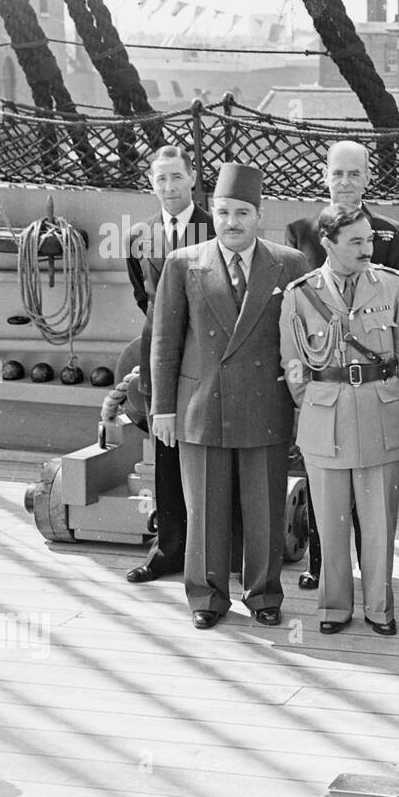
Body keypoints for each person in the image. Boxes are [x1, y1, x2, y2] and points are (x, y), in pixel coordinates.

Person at [151, 163, 310, 629]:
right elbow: (164, 342)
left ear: (259, 215)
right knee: (204, 510)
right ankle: (206, 597)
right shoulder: (184, 263)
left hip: (266, 405)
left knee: (265, 510)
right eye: (223, 212)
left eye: (242, 212)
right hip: (202, 406)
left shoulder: (290, 263)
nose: (232, 222)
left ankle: (263, 595)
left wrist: (302, 407)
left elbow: (301, 340)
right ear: (213, 214)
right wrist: (163, 408)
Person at [279, 203, 399, 635]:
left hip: (380, 413)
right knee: (331, 522)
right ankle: (334, 608)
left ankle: (380, 608)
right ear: (328, 243)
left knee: (380, 522)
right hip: (325, 419)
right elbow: (294, 367)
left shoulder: (394, 286)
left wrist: (388, 395)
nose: (366, 248)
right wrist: (319, 402)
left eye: (369, 239)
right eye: (355, 241)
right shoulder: (300, 293)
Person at [126, 145, 214, 584]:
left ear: (193, 177)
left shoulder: (216, 227)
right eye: (160, 179)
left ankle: (218, 553)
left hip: (205, 359)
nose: (169, 187)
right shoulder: (140, 235)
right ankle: (169, 551)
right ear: (151, 182)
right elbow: (144, 297)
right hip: (160, 357)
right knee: (166, 452)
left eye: (176, 177)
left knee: (210, 454)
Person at [284, 139, 399, 278]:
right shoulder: (299, 233)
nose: (345, 182)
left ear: (367, 178)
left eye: (354, 174)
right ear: (326, 176)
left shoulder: (394, 234)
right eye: (338, 174)